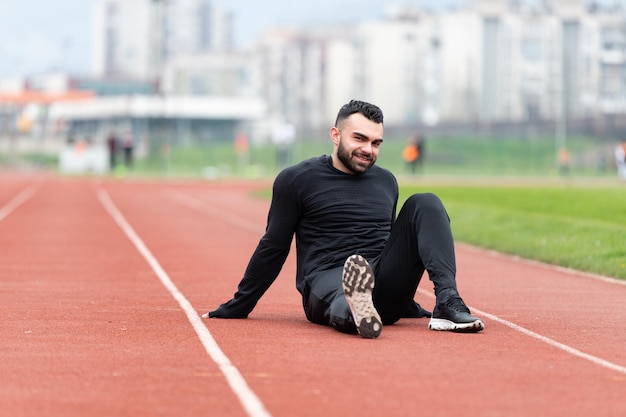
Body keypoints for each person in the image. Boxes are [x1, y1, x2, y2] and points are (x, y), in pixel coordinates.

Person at [203, 100, 484, 338]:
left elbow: (392, 245)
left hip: (380, 277)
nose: (368, 149)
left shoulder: (387, 181)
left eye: (376, 143)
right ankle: (356, 310)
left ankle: (447, 299)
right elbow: (274, 247)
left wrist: (407, 302)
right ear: (336, 135)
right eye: (359, 139)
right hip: (327, 276)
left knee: (426, 202)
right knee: (343, 294)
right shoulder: (297, 179)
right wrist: (240, 304)